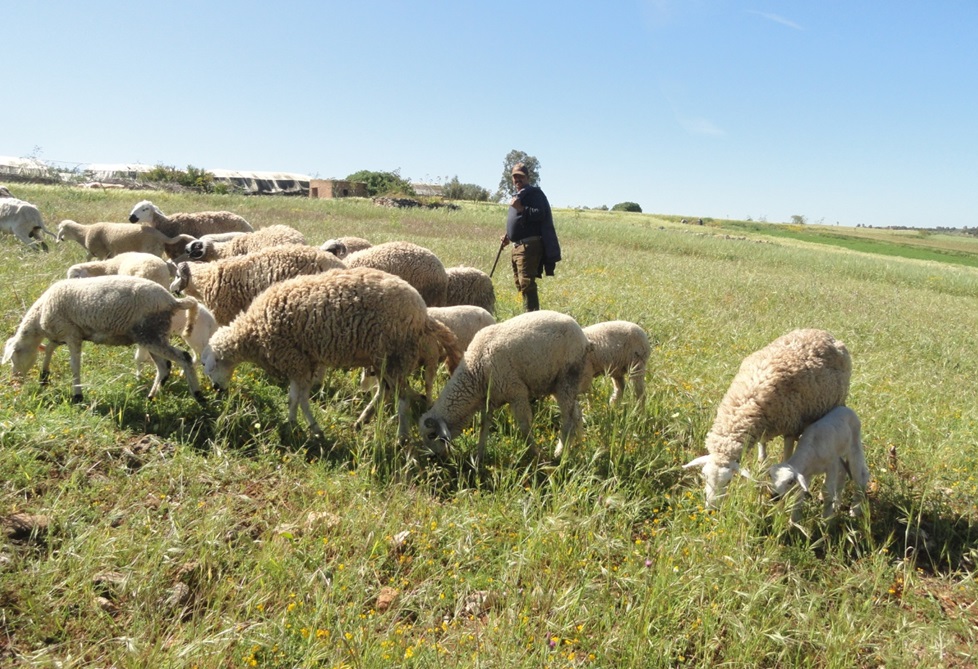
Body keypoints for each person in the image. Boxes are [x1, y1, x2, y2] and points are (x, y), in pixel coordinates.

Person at [500, 162, 560, 312]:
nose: (517, 180)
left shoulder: (534, 194)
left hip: (528, 246)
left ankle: (532, 318)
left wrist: (520, 208)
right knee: (520, 283)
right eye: (515, 177)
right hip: (517, 246)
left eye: (520, 176)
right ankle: (526, 314)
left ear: (527, 177)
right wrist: (509, 236)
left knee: (527, 283)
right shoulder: (519, 195)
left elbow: (540, 213)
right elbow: (521, 221)